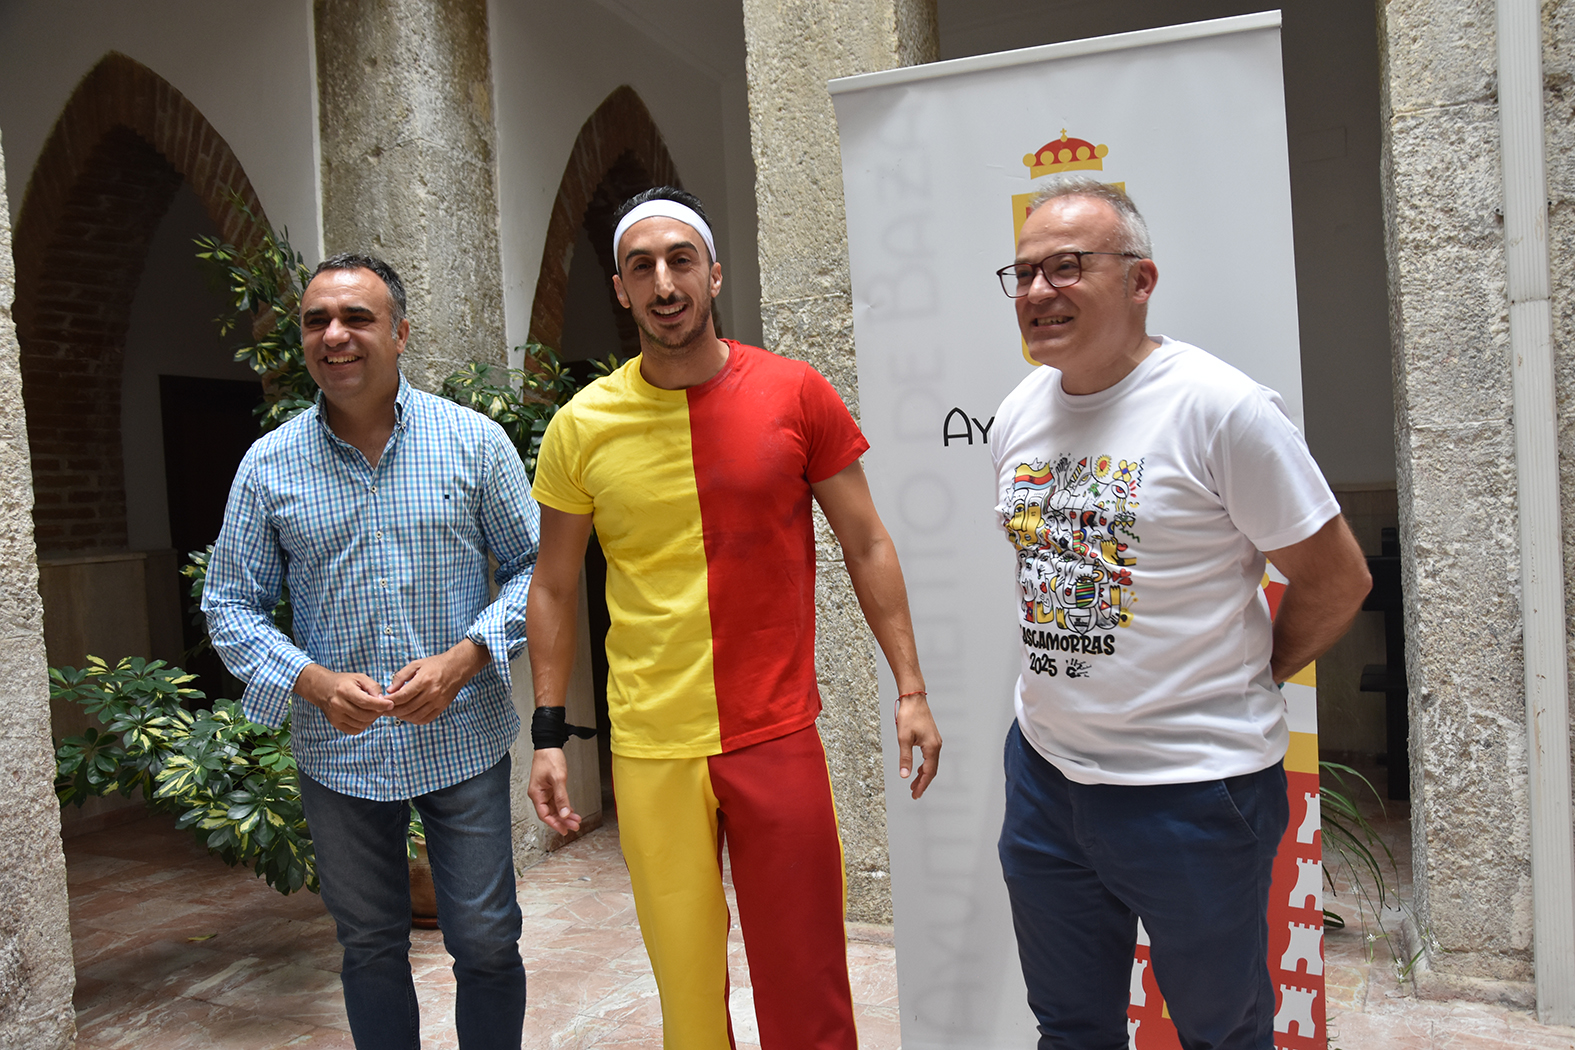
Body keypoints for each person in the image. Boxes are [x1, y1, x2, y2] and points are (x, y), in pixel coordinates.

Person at [525, 186, 941, 1050]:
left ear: (713, 274)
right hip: (651, 743)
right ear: (619, 288)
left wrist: (910, 687)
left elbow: (866, 541)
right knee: (685, 996)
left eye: (680, 260)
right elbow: (554, 585)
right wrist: (548, 733)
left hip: (774, 732)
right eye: (641, 266)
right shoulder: (581, 426)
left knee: (807, 987)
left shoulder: (795, 393)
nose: (663, 283)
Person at [990, 177, 1371, 1050]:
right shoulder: (1017, 413)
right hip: (1046, 777)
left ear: (1140, 280)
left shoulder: (1219, 408)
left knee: (1220, 1033)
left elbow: (1336, 579)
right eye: (1023, 273)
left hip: (1192, 790)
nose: (1038, 291)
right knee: (1069, 1028)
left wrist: (1252, 674)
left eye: (1065, 266)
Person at [203, 253, 539, 1050]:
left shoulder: (474, 442)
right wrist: (311, 681)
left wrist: (467, 657)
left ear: (400, 333)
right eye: (316, 320)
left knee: (487, 940)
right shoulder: (268, 465)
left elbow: (537, 569)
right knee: (370, 946)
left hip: (460, 734)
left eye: (357, 317)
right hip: (339, 751)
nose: (335, 335)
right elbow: (228, 603)